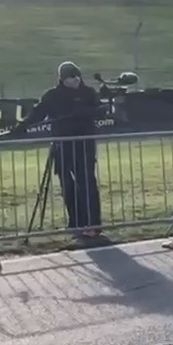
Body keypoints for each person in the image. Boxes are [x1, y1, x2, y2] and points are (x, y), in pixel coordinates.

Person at [32, 61, 106, 239]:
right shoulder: (53, 95)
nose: (76, 80)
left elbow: (100, 109)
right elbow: (38, 113)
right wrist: (22, 125)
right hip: (62, 144)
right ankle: (76, 222)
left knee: (87, 182)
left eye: (77, 76)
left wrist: (91, 111)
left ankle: (93, 224)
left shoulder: (88, 92)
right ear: (63, 79)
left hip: (84, 144)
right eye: (72, 77)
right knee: (68, 184)